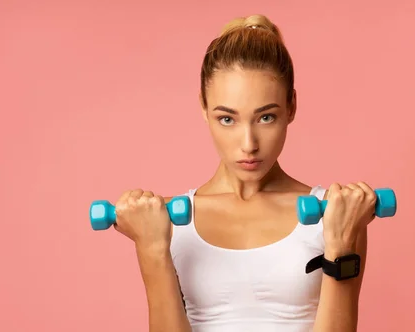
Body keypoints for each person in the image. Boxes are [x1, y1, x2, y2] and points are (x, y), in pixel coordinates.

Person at [112, 14, 378, 332]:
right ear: (204, 107)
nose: (248, 144)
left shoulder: (336, 215)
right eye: (227, 119)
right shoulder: (166, 224)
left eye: (266, 117)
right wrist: (152, 249)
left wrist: (341, 245)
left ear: (291, 106)